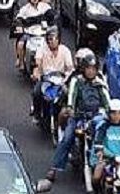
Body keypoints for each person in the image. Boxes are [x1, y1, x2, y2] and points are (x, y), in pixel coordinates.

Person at [45, 51, 111, 181]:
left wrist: (110, 112)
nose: (91, 72)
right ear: (83, 69)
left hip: (95, 117)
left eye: (93, 69)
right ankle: (54, 168)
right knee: (67, 137)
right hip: (78, 116)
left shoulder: (100, 82)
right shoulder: (77, 80)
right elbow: (72, 95)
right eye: (88, 68)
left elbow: (106, 99)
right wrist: (70, 108)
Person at [31, 26, 74, 119]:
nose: (52, 41)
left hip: (60, 80)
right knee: (36, 92)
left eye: (55, 39)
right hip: (46, 79)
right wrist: (36, 73)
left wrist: (70, 74)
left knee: (68, 94)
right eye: (50, 39)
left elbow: (70, 67)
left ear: (59, 39)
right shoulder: (42, 49)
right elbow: (37, 63)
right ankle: (36, 112)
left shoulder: (65, 50)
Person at [13, 0, 51, 70]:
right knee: (20, 44)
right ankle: (22, 62)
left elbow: (51, 15)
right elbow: (18, 19)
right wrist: (20, 23)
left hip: (43, 33)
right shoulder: (25, 9)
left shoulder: (44, 6)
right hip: (29, 33)